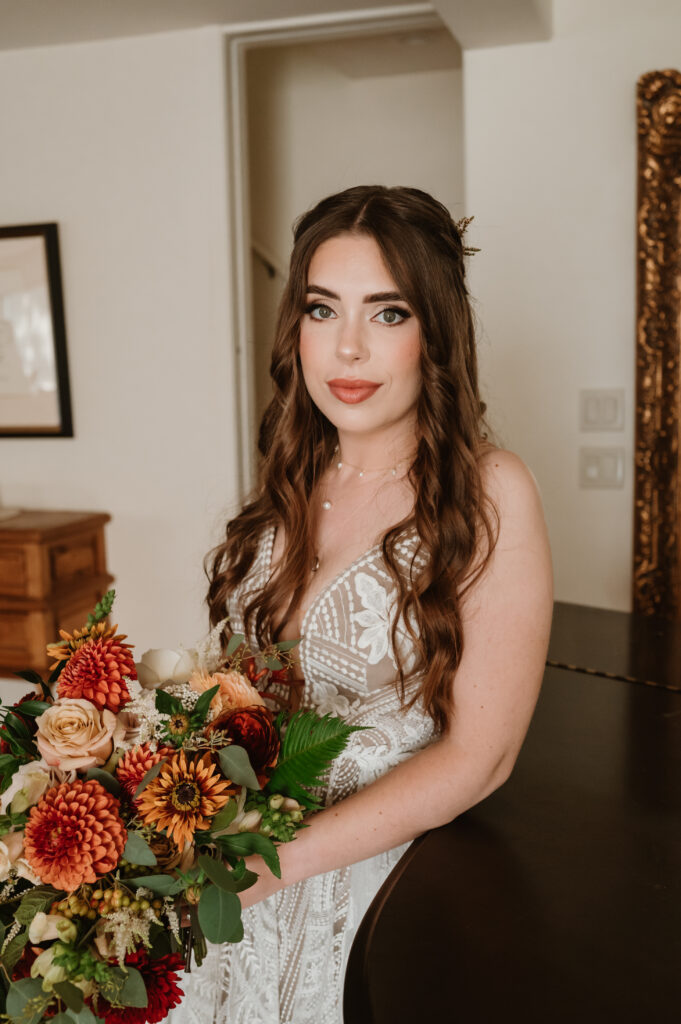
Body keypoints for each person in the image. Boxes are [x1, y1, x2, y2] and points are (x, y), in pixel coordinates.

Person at [168, 184, 553, 1024]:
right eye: (321, 309)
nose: (346, 348)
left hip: (364, 889)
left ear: (435, 333)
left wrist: (267, 865)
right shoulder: (290, 481)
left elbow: (480, 759)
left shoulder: (489, 492)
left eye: (387, 314)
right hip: (224, 870)